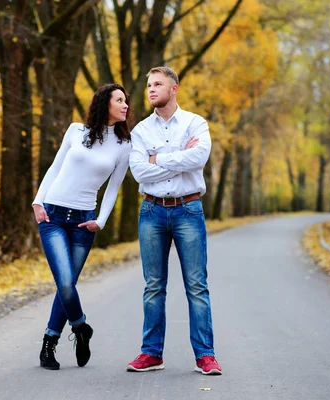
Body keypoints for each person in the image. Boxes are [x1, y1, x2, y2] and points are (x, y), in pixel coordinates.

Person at [126, 66, 222, 375]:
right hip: (151, 212)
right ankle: (151, 354)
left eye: (157, 84)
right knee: (153, 286)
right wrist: (179, 156)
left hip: (188, 211)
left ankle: (205, 356)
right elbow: (140, 172)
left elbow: (199, 158)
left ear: (174, 88)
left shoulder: (196, 123)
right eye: (149, 85)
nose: (151, 89)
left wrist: (159, 159)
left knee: (196, 285)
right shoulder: (140, 130)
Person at [32, 84, 132, 370]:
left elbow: (113, 189)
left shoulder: (124, 144)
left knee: (67, 286)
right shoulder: (76, 130)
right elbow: (55, 166)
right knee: (64, 282)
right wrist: (38, 202)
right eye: (119, 100)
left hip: (82, 222)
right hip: (52, 215)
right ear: (104, 103)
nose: (125, 106)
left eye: (126, 101)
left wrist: (100, 220)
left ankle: (49, 342)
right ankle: (80, 327)